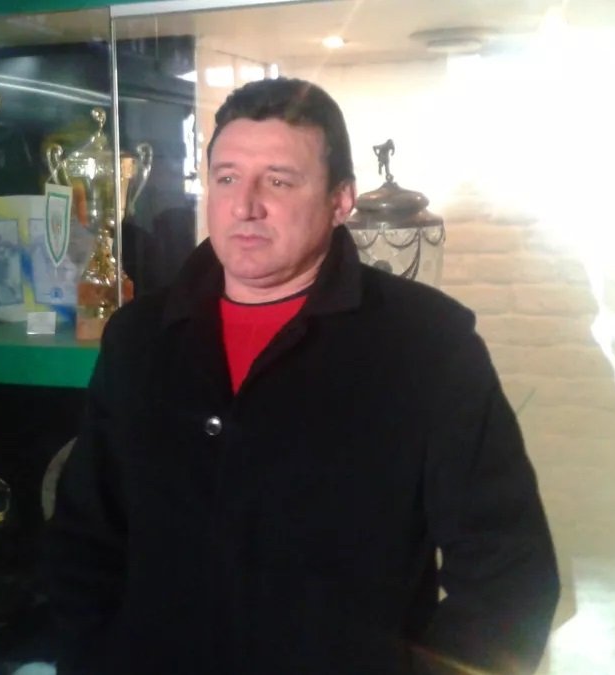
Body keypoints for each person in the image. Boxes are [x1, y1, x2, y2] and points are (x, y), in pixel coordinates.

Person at [43, 77, 560, 675]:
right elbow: (84, 538)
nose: (245, 205)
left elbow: (508, 575)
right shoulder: (139, 336)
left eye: (279, 181)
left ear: (341, 201)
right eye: (227, 178)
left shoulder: (427, 342)